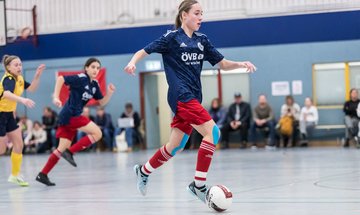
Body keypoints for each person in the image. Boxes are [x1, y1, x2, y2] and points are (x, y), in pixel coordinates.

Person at [124, 0, 256, 203]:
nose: (201, 17)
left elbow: (222, 63)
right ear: (184, 15)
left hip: (193, 96)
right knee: (213, 133)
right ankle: (199, 185)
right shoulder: (171, 38)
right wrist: (133, 63)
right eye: (197, 13)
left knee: (175, 146)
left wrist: (240, 63)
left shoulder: (202, 40)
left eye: (202, 13)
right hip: (180, 95)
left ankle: (143, 170)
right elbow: (143, 51)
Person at [36, 58, 115, 186]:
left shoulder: (94, 85)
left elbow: (101, 102)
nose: (96, 70)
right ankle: (71, 152)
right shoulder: (81, 78)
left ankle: (43, 174)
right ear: (87, 68)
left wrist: (110, 93)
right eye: (93, 67)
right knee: (98, 133)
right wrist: (56, 97)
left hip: (70, 117)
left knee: (60, 149)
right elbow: (61, 79)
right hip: (70, 115)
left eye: (98, 68)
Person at [0, 54, 45, 186]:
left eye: (20, 64)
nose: (19, 67)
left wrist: (37, 75)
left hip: (8, 115)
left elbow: (32, 89)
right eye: (16, 65)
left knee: (19, 144)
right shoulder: (8, 79)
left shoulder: (19, 78)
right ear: (8, 67)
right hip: (0, 114)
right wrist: (22, 100)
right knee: (2, 150)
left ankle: (14, 175)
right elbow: (6, 94)